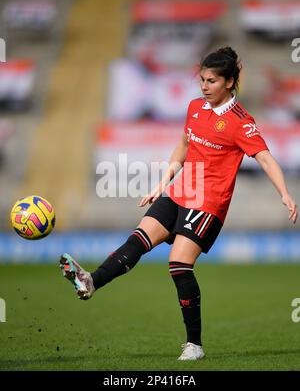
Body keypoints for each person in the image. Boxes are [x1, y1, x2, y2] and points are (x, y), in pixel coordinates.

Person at [59, 46, 298, 361]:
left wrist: (284, 192)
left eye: (211, 81)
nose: (204, 86)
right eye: (201, 79)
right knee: (138, 240)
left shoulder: (242, 122)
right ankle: (90, 282)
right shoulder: (195, 108)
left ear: (228, 82)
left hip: (208, 202)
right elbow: (184, 144)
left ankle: (194, 345)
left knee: (178, 264)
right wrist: (163, 182)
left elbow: (265, 159)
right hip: (179, 191)